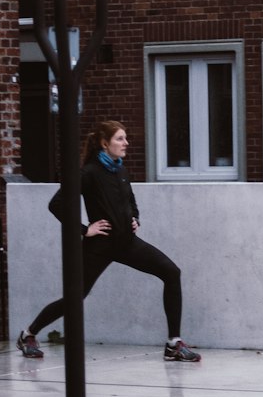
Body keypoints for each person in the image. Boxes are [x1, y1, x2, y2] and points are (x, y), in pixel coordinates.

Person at [16, 119, 201, 363]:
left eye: (125, 138)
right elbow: (57, 204)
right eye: (120, 139)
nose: (126, 143)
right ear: (105, 144)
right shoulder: (88, 173)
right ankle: (28, 334)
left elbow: (131, 201)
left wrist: (135, 218)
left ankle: (173, 344)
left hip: (127, 243)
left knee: (171, 272)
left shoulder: (120, 170)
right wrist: (85, 230)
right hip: (99, 247)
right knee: (75, 297)